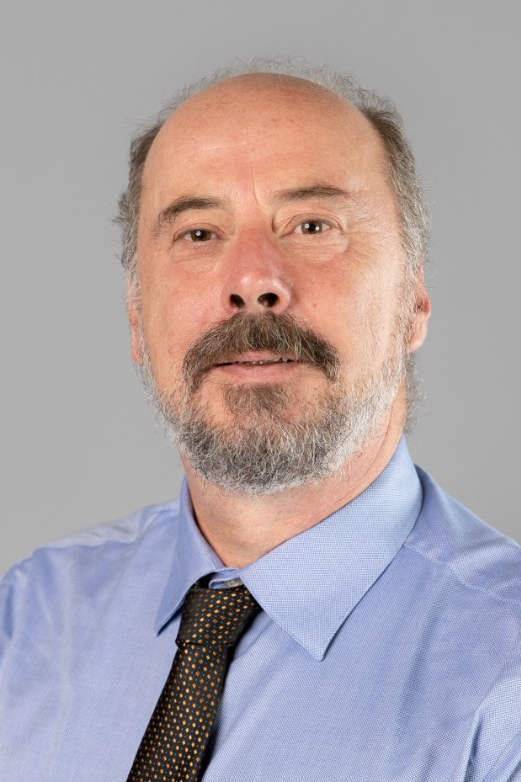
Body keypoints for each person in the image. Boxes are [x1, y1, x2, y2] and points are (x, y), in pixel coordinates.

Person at [1, 61, 521, 782]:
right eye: (198, 233)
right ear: (136, 315)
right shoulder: (27, 620)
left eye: (312, 225)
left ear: (413, 300)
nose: (252, 281)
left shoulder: (505, 678)